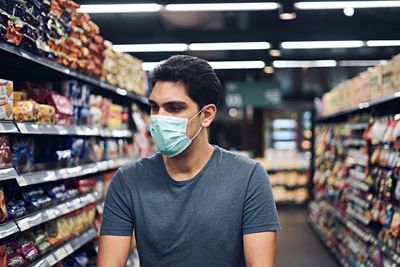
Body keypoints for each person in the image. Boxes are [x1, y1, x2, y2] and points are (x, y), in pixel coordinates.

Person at [97, 55, 280, 267]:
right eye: (155, 107)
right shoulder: (128, 181)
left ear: (207, 115)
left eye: (174, 108)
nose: (159, 118)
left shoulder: (248, 177)